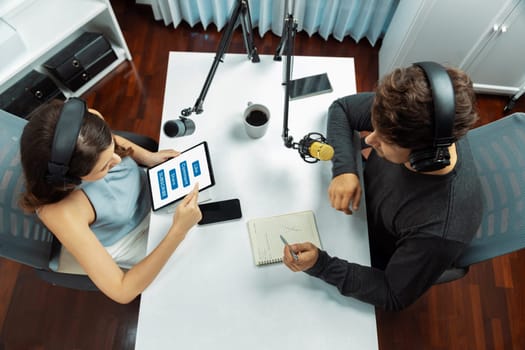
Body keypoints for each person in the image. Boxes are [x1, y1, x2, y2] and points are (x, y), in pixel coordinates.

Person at [282, 64, 483, 311]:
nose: (369, 139)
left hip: (368, 251)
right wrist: (345, 170)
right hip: (361, 209)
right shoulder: (410, 114)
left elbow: (392, 293)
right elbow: (342, 108)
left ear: (425, 156)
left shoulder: (438, 231)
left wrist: (321, 265)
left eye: (383, 141)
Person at [19, 99, 202, 304]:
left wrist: (147, 157)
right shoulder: (61, 213)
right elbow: (122, 291)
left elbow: (111, 141)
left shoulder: (89, 125)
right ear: (72, 181)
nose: (117, 160)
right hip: (129, 237)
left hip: (150, 192)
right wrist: (178, 231)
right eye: (105, 166)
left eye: (112, 150)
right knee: (198, 265)